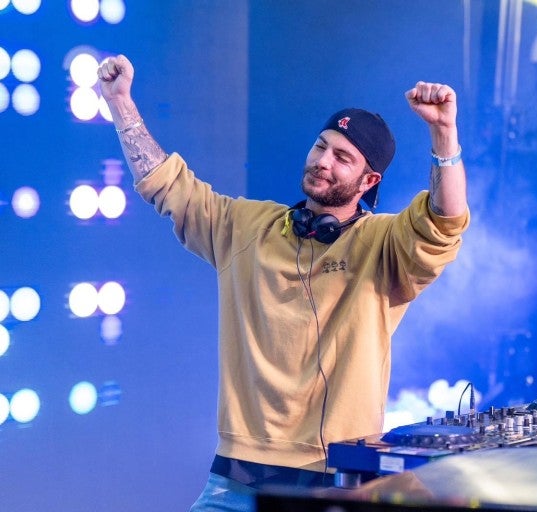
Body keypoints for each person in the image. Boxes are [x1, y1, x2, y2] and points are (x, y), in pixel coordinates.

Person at [97, 54, 469, 511]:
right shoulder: (247, 226)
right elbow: (166, 186)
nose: (322, 162)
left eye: (341, 157)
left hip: (338, 478)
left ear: (369, 179)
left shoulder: (383, 242)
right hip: (236, 478)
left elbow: (444, 223)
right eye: (320, 147)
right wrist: (120, 104)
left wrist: (443, 134)